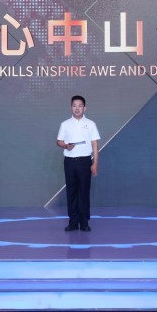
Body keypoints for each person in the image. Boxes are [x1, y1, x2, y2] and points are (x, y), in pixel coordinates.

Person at [56, 95, 100, 232]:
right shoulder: (65, 124)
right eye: (74, 106)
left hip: (85, 161)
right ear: (71, 108)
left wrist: (95, 163)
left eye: (80, 106)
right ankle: (73, 222)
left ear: (84, 108)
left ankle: (84, 222)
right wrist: (66, 146)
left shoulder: (91, 124)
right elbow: (59, 141)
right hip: (69, 162)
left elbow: (94, 144)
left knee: (84, 191)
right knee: (71, 191)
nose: (77, 108)